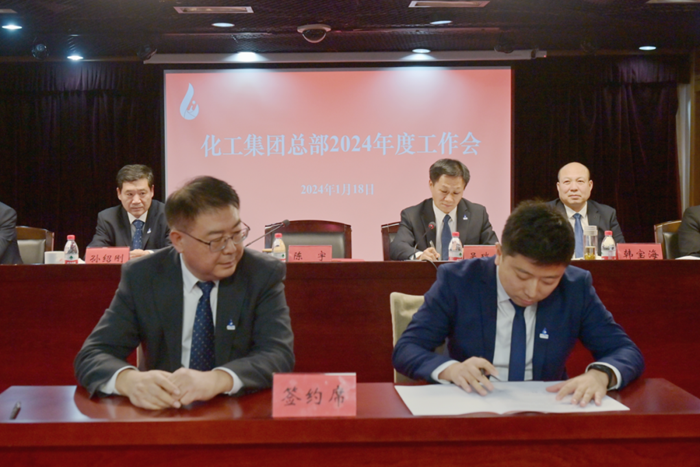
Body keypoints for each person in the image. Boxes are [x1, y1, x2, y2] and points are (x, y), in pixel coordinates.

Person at [393, 201, 644, 407]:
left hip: (547, 411)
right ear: (499, 253)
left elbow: (625, 351)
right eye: (522, 276)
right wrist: (451, 370)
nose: (532, 291)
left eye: (549, 280)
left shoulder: (575, 287)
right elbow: (407, 348)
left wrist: (601, 375)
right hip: (471, 408)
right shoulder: (459, 281)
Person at [75, 176, 295, 410]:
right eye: (217, 241)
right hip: (166, 412)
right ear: (178, 240)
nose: (231, 249)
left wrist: (218, 379)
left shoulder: (261, 273)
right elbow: (93, 355)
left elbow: (278, 354)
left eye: (236, 234)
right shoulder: (144, 276)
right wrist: (129, 381)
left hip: (239, 410)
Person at [389, 159, 498, 261]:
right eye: (444, 191)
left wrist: (469, 253)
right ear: (431, 185)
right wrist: (420, 255)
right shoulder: (412, 215)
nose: (449, 199)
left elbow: (494, 249)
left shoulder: (478, 214)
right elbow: (397, 247)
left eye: (456, 193)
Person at [88, 164, 170, 259]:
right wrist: (124, 256)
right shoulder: (108, 218)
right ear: (119, 193)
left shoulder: (168, 215)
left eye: (142, 193)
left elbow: (177, 251)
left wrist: (149, 255)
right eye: (130, 194)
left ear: (152, 191)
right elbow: (93, 255)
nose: (136, 201)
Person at [547, 162, 624, 258]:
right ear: (558, 187)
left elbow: (621, 254)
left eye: (580, 181)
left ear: (590, 185)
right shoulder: (543, 214)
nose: (574, 188)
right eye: (567, 182)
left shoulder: (607, 214)